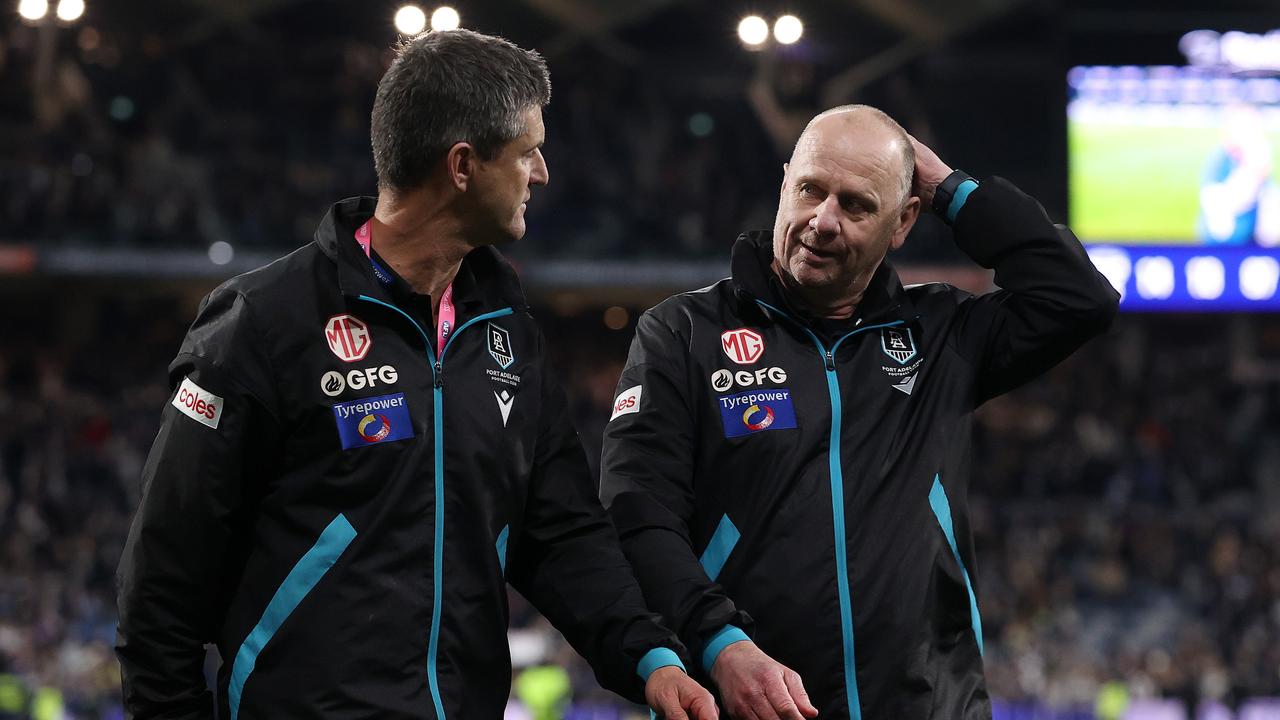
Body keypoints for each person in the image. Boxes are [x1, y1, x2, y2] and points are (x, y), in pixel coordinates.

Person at [115, 29, 716, 720]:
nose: (543, 173)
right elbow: (161, 586)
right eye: (527, 152)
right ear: (463, 166)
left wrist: (650, 658)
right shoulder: (265, 323)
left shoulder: (507, 331)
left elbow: (560, 534)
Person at [600, 105, 1120, 719]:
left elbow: (1079, 297)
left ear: (902, 223)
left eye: (856, 204)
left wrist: (949, 189)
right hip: (751, 706)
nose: (822, 221)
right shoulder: (684, 331)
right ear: (784, 183)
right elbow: (636, 511)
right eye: (810, 190)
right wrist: (718, 641)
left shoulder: (940, 335)